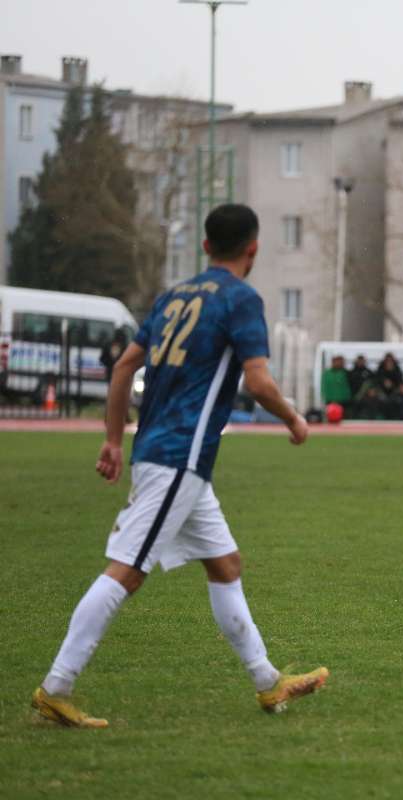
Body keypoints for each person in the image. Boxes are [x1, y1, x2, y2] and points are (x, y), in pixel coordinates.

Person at [31, 204, 327, 729]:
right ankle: (56, 687)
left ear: (206, 246)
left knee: (226, 564)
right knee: (126, 571)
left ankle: (267, 681)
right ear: (253, 249)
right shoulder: (240, 299)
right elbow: (257, 382)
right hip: (180, 456)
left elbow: (125, 365)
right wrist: (294, 420)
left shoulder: (172, 297)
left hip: (164, 452)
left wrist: (112, 440)